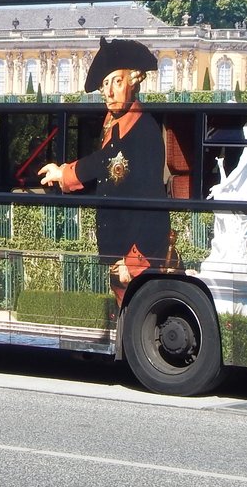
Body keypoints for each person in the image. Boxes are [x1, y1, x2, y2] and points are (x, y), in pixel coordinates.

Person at [38, 37, 172, 305]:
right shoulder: (113, 127)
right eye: (104, 85)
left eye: (116, 81)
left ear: (134, 80)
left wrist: (134, 260)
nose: (109, 92)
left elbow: (150, 202)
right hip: (120, 258)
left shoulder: (142, 131)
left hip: (135, 260)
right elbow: (105, 171)